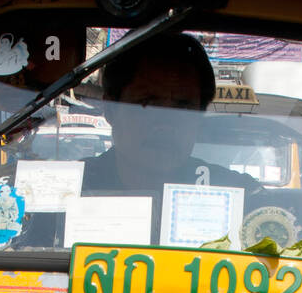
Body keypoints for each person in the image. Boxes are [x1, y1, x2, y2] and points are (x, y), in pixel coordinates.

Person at [84, 33, 261, 198]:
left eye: (183, 107)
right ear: (111, 109)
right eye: (148, 103)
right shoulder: (72, 186)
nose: (166, 123)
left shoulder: (237, 194)